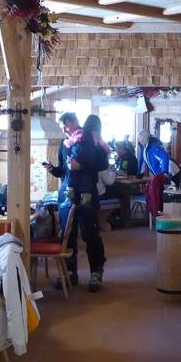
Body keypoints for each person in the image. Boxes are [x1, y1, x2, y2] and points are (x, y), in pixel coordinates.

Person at [44, 112, 108, 292]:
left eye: (66, 125)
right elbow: (63, 171)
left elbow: (102, 164)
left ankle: (96, 274)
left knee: (90, 235)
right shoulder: (64, 144)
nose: (64, 130)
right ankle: (70, 273)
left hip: (87, 194)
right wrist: (53, 169)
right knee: (67, 235)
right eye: (62, 127)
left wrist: (82, 166)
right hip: (67, 195)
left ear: (74, 122)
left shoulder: (91, 138)